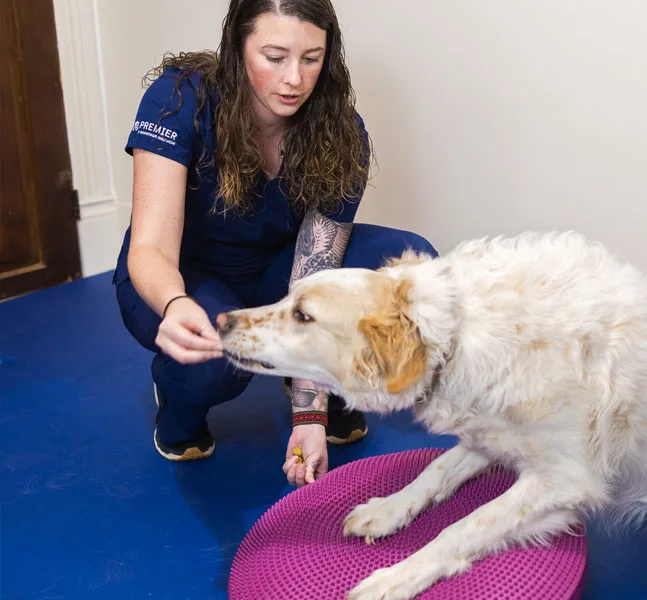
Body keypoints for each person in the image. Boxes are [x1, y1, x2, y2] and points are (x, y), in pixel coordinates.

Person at [111, 0, 436, 486]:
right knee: (217, 363)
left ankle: (317, 380)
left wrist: (310, 415)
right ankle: (176, 397)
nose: (294, 79)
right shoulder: (177, 100)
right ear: (237, 46)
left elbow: (316, 273)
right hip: (179, 276)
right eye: (274, 56)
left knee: (406, 265)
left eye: (311, 58)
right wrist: (175, 303)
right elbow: (151, 246)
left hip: (274, 274)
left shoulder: (341, 133)